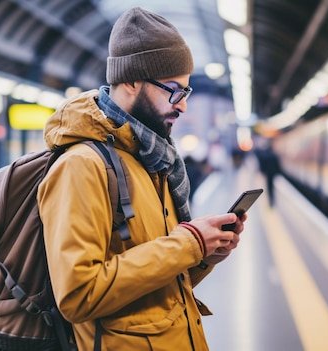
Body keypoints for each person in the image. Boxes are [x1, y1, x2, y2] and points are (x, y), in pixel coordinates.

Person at [37, 7, 247, 351]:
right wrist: (189, 244)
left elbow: (160, 279)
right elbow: (78, 295)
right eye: (174, 91)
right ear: (132, 79)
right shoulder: (82, 166)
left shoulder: (149, 160)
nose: (182, 106)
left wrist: (205, 253)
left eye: (186, 94)